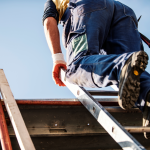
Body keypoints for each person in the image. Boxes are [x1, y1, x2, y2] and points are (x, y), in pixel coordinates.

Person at [43, 0, 150, 139]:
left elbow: (49, 21)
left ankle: (122, 65)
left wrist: (57, 59)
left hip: (88, 7)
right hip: (124, 12)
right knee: (132, 74)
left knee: (77, 66)